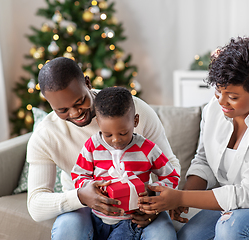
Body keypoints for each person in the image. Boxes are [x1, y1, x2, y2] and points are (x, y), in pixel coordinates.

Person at [137, 36, 249, 240]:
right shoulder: (214, 109)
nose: (221, 101)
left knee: (231, 230)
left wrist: (180, 196)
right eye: (218, 90)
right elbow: (204, 160)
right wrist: (182, 201)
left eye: (232, 97)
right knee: (188, 236)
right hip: (237, 197)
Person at [26, 57, 181, 240]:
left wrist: (154, 205)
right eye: (62, 110)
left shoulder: (131, 110)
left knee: (163, 236)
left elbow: (170, 165)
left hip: (138, 204)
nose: (75, 113)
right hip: (81, 205)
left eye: (79, 101)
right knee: (67, 232)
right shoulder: (46, 135)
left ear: (87, 82)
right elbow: (36, 205)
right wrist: (81, 197)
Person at [71, 86, 179, 239]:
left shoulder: (147, 149)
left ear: (135, 121)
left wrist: (152, 192)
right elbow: (78, 175)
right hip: (96, 217)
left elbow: (171, 177)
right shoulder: (92, 146)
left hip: (130, 221)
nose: (116, 140)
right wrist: (90, 189)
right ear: (98, 123)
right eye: (108, 134)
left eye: (123, 133)